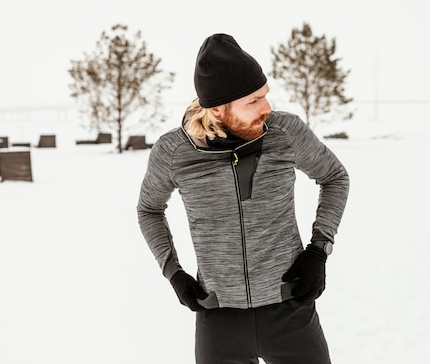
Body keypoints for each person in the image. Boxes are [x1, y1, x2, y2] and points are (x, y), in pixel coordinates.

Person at [136, 33, 349, 364]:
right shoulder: (174, 152)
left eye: (265, 95)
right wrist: (173, 272)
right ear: (217, 108)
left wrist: (319, 250)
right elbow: (149, 209)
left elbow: (335, 177)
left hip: (290, 310)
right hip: (218, 318)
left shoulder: (286, 133)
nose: (267, 108)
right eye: (253, 101)